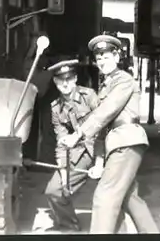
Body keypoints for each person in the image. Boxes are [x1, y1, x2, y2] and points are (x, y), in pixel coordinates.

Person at [59, 35, 160, 234]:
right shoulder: (106, 85)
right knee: (129, 198)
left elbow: (106, 113)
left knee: (104, 198)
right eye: (98, 58)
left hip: (126, 141)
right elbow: (103, 129)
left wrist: (77, 135)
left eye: (106, 56)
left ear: (117, 56)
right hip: (117, 143)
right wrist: (98, 163)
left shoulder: (124, 80)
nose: (101, 61)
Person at [43, 59, 104, 232]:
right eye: (60, 80)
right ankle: (69, 226)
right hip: (79, 154)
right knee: (55, 190)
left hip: (101, 150)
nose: (65, 83)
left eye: (69, 78)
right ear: (55, 82)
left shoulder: (89, 96)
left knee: (118, 194)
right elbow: (61, 143)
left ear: (75, 79)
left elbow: (103, 130)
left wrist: (100, 163)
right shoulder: (55, 108)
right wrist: (64, 176)